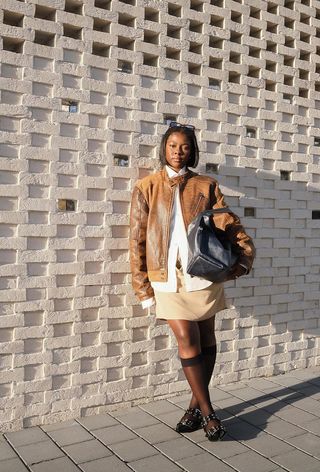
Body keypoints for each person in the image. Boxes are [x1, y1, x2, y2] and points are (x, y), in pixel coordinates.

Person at [129, 122, 255, 441]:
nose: (178, 151)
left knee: (207, 337)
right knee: (187, 338)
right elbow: (137, 240)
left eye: (184, 146)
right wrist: (142, 286)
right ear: (164, 148)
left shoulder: (205, 185)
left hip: (203, 276)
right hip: (166, 278)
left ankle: (194, 408)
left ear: (192, 150)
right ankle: (210, 413)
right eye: (172, 146)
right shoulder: (147, 187)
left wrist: (244, 255)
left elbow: (227, 220)